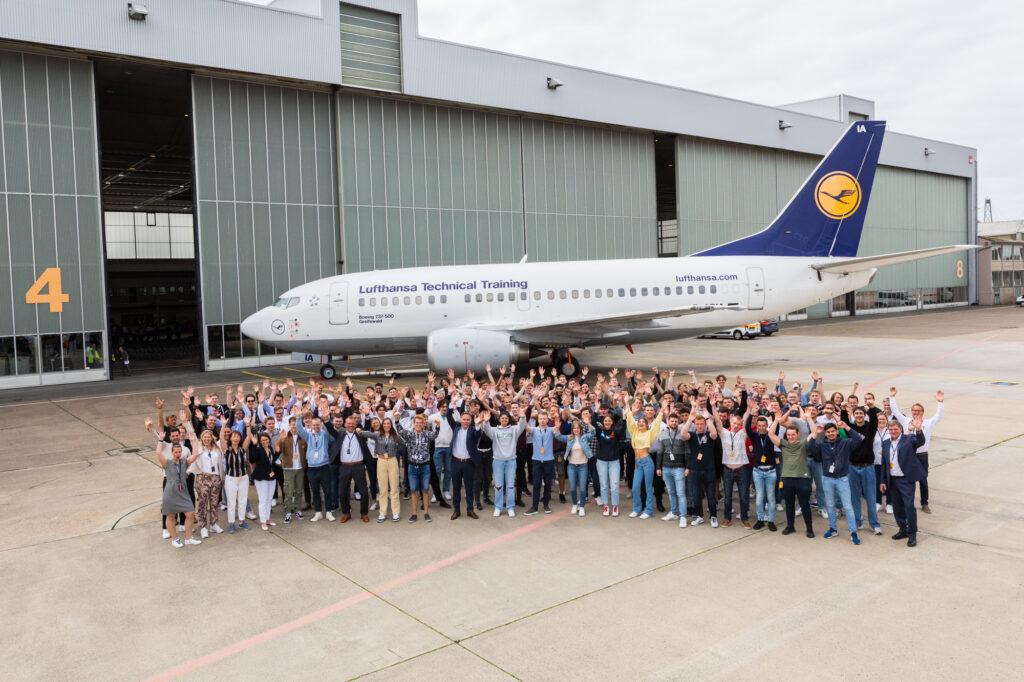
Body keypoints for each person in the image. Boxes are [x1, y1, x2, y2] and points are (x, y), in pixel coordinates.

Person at [889, 387, 944, 514]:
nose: (916, 412)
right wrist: (892, 397)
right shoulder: (906, 421)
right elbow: (896, 411)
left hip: (922, 456)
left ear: (923, 412)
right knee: (907, 479)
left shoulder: (929, 423)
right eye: (914, 410)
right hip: (909, 455)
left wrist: (940, 402)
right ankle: (906, 501)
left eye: (918, 411)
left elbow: (939, 416)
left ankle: (924, 503)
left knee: (923, 480)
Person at [807, 422, 863, 544]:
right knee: (830, 506)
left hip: (842, 479)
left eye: (833, 431)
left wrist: (846, 427)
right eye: (828, 432)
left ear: (836, 431)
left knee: (848, 507)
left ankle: (853, 532)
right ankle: (833, 529)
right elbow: (810, 447)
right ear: (825, 434)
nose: (831, 434)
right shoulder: (822, 445)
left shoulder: (845, 443)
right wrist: (815, 433)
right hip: (827, 479)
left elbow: (858, 440)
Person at [881, 417, 927, 547]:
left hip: (905, 480)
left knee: (908, 507)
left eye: (896, 429)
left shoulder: (908, 439)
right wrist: (883, 481)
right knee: (897, 507)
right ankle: (903, 529)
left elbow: (920, 441)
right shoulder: (885, 443)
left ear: (900, 429)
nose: (893, 431)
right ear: (888, 430)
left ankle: (912, 535)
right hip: (892, 480)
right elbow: (884, 464)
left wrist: (918, 430)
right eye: (891, 429)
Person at [767, 418, 814, 538]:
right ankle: (790, 526)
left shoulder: (803, 444)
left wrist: (808, 418)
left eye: (793, 434)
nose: (791, 437)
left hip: (802, 479)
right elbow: (771, 434)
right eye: (788, 435)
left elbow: (814, 433)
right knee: (789, 505)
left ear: (798, 434)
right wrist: (777, 420)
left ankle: (809, 528)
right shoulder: (783, 444)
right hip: (787, 479)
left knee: (804, 505)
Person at [155, 430, 201, 548]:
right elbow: (158, 453)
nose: (178, 454)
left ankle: (189, 538)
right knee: (170, 516)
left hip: (182, 490)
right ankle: (175, 539)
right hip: (170, 490)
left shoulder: (184, 462)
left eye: (179, 452)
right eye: (176, 452)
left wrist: (193, 442)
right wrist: (160, 440)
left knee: (190, 513)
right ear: (172, 452)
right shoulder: (167, 463)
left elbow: (195, 455)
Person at [479, 406, 527, 517]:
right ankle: (498, 507)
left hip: (511, 461)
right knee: (499, 486)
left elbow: (522, 426)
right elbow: (486, 429)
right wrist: (486, 421)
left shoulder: (514, 429)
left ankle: (510, 507)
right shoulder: (495, 430)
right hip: (498, 461)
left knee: (510, 486)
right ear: (499, 419)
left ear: (509, 419)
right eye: (502, 418)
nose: (504, 420)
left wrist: (523, 418)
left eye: (506, 418)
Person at [325, 415, 373, 523]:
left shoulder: (360, 434)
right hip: (344, 466)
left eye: (353, 423)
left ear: (355, 424)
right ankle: (346, 513)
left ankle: (364, 513)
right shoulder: (340, 434)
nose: (351, 425)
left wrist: (367, 416)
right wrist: (326, 419)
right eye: (349, 423)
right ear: (345, 424)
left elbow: (369, 427)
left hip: (358, 466)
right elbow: (330, 429)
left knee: (364, 492)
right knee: (342, 492)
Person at [845, 406, 882, 535]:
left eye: (861, 413)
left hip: (868, 466)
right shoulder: (851, 428)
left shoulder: (870, 428)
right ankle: (857, 522)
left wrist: (872, 408)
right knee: (854, 497)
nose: (859, 415)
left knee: (871, 497)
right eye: (856, 413)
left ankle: (874, 524)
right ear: (853, 415)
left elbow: (875, 421)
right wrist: (844, 410)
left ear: (864, 415)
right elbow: (844, 422)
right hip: (853, 466)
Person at [624, 398, 663, 519]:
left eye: (643, 422)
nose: (641, 423)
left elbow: (656, 425)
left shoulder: (650, 433)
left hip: (647, 462)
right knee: (635, 488)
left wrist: (661, 412)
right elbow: (630, 422)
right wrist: (628, 405)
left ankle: (649, 510)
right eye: (639, 422)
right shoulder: (634, 432)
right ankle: (636, 509)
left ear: (646, 424)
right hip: (638, 463)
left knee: (647, 487)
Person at [681, 404, 720, 527]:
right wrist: (690, 419)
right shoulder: (692, 436)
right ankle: (699, 516)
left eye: (701, 424)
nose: (699, 426)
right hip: (694, 470)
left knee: (711, 495)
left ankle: (713, 516)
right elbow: (683, 434)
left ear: (705, 424)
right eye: (697, 424)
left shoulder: (709, 435)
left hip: (709, 470)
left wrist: (707, 419)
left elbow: (714, 433)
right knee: (696, 495)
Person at [395, 413, 437, 523]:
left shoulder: (427, 434)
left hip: (425, 467)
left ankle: (426, 513)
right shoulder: (409, 435)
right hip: (412, 467)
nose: (418, 424)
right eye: (416, 423)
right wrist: (396, 421)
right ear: (413, 424)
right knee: (413, 491)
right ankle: (414, 514)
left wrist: (438, 426)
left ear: (424, 424)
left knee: (425, 490)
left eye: (420, 423)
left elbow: (435, 435)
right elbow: (400, 431)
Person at [186, 422, 224, 538]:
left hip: (215, 478)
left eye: (208, 437)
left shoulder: (217, 448)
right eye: (204, 437)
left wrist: (224, 424)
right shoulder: (198, 447)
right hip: (203, 478)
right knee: (203, 503)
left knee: (214, 503)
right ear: (202, 438)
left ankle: (213, 524)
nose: (206, 438)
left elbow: (222, 437)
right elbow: (191, 434)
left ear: (212, 438)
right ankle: (203, 526)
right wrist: (185, 422)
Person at [295, 415, 334, 523]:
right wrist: (298, 418)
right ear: (311, 426)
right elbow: (299, 429)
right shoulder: (308, 436)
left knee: (327, 491)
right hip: (312, 468)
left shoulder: (325, 435)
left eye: (318, 424)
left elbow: (328, 427)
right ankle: (318, 512)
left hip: (324, 467)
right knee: (315, 491)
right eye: (314, 425)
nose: (316, 426)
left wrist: (326, 418)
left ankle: (329, 512)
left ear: (321, 425)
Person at [652, 412, 688, 526]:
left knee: (681, 493)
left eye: (676, 421)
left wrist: (688, 467)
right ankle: (673, 512)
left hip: (679, 467)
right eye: (672, 421)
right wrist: (658, 467)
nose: (674, 423)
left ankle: (683, 516)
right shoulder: (662, 434)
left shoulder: (683, 433)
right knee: (671, 492)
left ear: (678, 422)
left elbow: (687, 452)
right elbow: (659, 452)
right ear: (668, 421)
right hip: (666, 467)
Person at [745, 408, 778, 531]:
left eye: (764, 425)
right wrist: (751, 414)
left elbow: (777, 428)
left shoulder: (771, 436)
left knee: (770, 497)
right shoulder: (754, 436)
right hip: (758, 471)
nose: (762, 428)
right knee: (759, 497)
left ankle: (770, 520)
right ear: (757, 426)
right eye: (759, 426)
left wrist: (774, 416)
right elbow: (748, 428)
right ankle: (760, 519)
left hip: (770, 472)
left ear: (767, 426)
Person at [554, 416, 595, 516]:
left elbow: (593, 432)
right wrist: (557, 427)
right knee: (572, 488)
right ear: (572, 429)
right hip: (572, 466)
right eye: (574, 428)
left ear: (580, 429)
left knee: (582, 488)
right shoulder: (569, 438)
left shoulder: (585, 437)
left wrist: (588, 423)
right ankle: (574, 505)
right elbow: (558, 436)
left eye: (578, 428)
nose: (576, 430)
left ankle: (581, 507)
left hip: (583, 466)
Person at [445, 409, 481, 519]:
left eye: (468, 420)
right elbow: (448, 415)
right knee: (456, 488)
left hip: (468, 463)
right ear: (460, 420)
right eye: (464, 419)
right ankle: (456, 510)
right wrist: (452, 405)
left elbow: (478, 435)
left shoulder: (473, 430)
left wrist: (478, 425)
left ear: (471, 421)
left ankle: (470, 510)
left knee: (469, 488)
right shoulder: (456, 427)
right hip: (455, 462)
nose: (465, 421)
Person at [220, 423, 253, 533]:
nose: (235, 437)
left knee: (243, 500)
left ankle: (242, 521)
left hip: (243, 478)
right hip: (231, 479)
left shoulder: (242, 449)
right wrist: (223, 425)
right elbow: (221, 438)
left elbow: (249, 436)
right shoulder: (227, 450)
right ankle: (231, 523)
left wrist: (248, 425)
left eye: (237, 435)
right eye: (233, 435)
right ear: (230, 438)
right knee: (231, 502)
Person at [719, 413, 751, 529]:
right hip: (727, 470)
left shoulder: (743, 434)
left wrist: (749, 409)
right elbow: (718, 422)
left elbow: (747, 420)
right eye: (734, 423)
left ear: (741, 424)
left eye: (738, 424)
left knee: (743, 496)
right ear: (730, 422)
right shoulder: (724, 433)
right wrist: (712, 406)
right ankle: (727, 518)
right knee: (727, 496)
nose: (736, 425)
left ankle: (745, 519)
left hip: (741, 470)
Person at [592, 413, 626, 517]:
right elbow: (593, 423)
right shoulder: (599, 432)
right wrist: (596, 412)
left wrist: (624, 418)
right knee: (604, 485)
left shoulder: (616, 432)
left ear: (612, 422)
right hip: (601, 461)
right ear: (603, 422)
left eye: (609, 421)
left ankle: (615, 506)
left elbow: (623, 427)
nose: (607, 422)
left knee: (615, 485)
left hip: (614, 462)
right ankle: (606, 505)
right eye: (605, 421)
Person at [524, 411, 557, 515]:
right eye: (541, 419)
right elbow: (526, 427)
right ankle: (534, 506)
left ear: (547, 420)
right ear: (538, 420)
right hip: (536, 460)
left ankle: (546, 504)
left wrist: (557, 421)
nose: (542, 421)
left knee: (548, 484)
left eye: (544, 419)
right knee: (536, 484)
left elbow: (557, 429)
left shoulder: (551, 430)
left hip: (548, 460)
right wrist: (522, 417)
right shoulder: (534, 430)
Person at [275, 416, 306, 523]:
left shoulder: (303, 437)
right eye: (292, 424)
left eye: (296, 424)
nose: (294, 426)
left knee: (298, 490)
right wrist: (280, 439)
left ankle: (298, 509)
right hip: (288, 468)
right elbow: (278, 448)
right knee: (288, 491)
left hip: (300, 468)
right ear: (289, 425)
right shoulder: (285, 436)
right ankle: (288, 512)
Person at [374, 418, 402, 522]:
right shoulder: (378, 435)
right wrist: (359, 431)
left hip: (392, 460)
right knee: (383, 489)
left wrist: (394, 451)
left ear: (391, 425)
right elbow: (366, 433)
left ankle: (395, 513)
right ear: (382, 425)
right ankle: (382, 513)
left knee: (394, 488)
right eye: (385, 423)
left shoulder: (395, 436)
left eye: (388, 423)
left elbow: (403, 445)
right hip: (381, 461)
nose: (386, 425)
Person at [248, 431, 277, 530]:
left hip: (271, 477)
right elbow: (252, 459)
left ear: (269, 440)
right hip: (261, 478)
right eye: (262, 440)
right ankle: (263, 521)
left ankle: (268, 519)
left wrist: (278, 451)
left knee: (269, 500)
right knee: (263, 500)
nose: (265, 441)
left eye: (266, 439)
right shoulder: (258, 449)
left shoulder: (270, 448)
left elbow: (272, 461)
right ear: (260, 441)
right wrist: (254, 444)